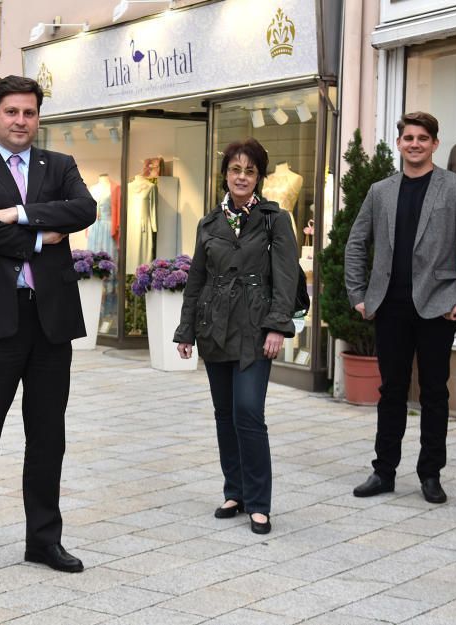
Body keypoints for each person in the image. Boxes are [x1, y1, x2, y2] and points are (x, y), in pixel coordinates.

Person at [0, 76, 96, 578]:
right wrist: (37, 238)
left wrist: (18, 213)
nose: (20, 121)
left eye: (29, 113)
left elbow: (84, 210)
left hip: (49, 321)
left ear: (38, 117)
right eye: (11, 112)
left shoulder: (60, 165)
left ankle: (44, 541)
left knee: (48, 436)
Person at [345, 112, 456, 504]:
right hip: (389, 306)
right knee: (391, 390)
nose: (415, 144)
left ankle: (430, 475)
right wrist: (358, 294)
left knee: (434, 393)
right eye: (408, 138)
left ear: (435, 144)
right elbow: (356, 242)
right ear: (399, 143)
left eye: (422, 138)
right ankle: (384, 471)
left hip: (437, 307)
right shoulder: (380, 191)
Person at [174, 139, 299, 535]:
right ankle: (235, 492)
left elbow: (286, 277)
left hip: (255, 328)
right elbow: (196, 281)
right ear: (225, 174)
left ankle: (259, 502)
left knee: (248, 411)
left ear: (258, 176)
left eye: (249, 171)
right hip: (215, 328)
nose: (241, 177)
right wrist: (186, 330)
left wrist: (277, 325)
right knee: (225, 414)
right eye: (235, 170)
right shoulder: (209, 223)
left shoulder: (274, 219)